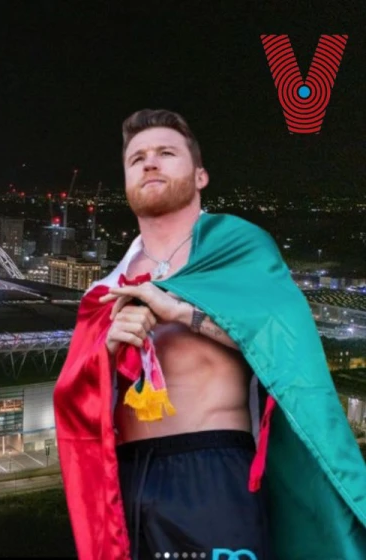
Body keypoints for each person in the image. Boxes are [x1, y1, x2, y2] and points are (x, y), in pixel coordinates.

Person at [53, 109, 366, 560]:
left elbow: (286, 349)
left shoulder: (240, 249)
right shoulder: (108, 287)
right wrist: (106, 351)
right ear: (126, 182)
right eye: (136, 158)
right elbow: (77, 399)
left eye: (166, 152)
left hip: (213, 470)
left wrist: (182, 312)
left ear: (200, 176)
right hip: (124, 482)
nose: (150, 163)